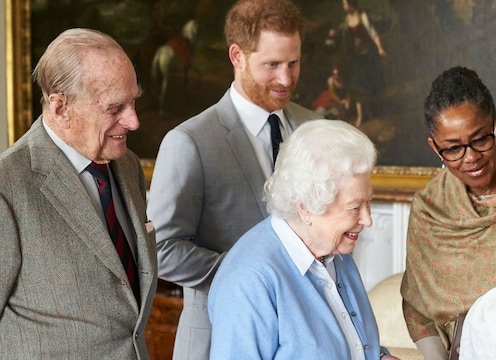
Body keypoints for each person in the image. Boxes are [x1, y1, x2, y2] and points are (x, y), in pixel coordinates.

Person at [146, 0, 320, 358]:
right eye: (271, 65)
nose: (286, 79)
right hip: (217, 340)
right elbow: (161, 250)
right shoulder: (189, 142)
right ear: (237, 56)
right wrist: (256, 272)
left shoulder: (315, 129)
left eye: (293, 63)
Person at [0, 28, 157, 359]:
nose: (133, 121)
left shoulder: (127, 166)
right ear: (60, 107)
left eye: (133, 102)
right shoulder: (7, 186)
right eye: (115, 108)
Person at [207, 119, 399, 360]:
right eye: (354, 207)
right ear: (307, 207)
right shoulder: (250, 280)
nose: (367, 219)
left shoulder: (335, 251)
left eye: (368, 202)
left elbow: (349, 343)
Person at [400, 66, 496, 360]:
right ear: (434, 148)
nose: (470, 158)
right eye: (452, 149)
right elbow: (416, 305)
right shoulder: (429, 208)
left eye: (480, 139)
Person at [339, 0, 386, 127]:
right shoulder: (347, 18)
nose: (343, 6)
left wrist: (380, 48)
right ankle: (361, 115)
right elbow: (344, 36)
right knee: (357, 85)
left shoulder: (362, 16)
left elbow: (373, 33)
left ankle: (372, 112)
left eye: (345, 4)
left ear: (351, 4)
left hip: (367, 55)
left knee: (367, 85)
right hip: (356, 56)